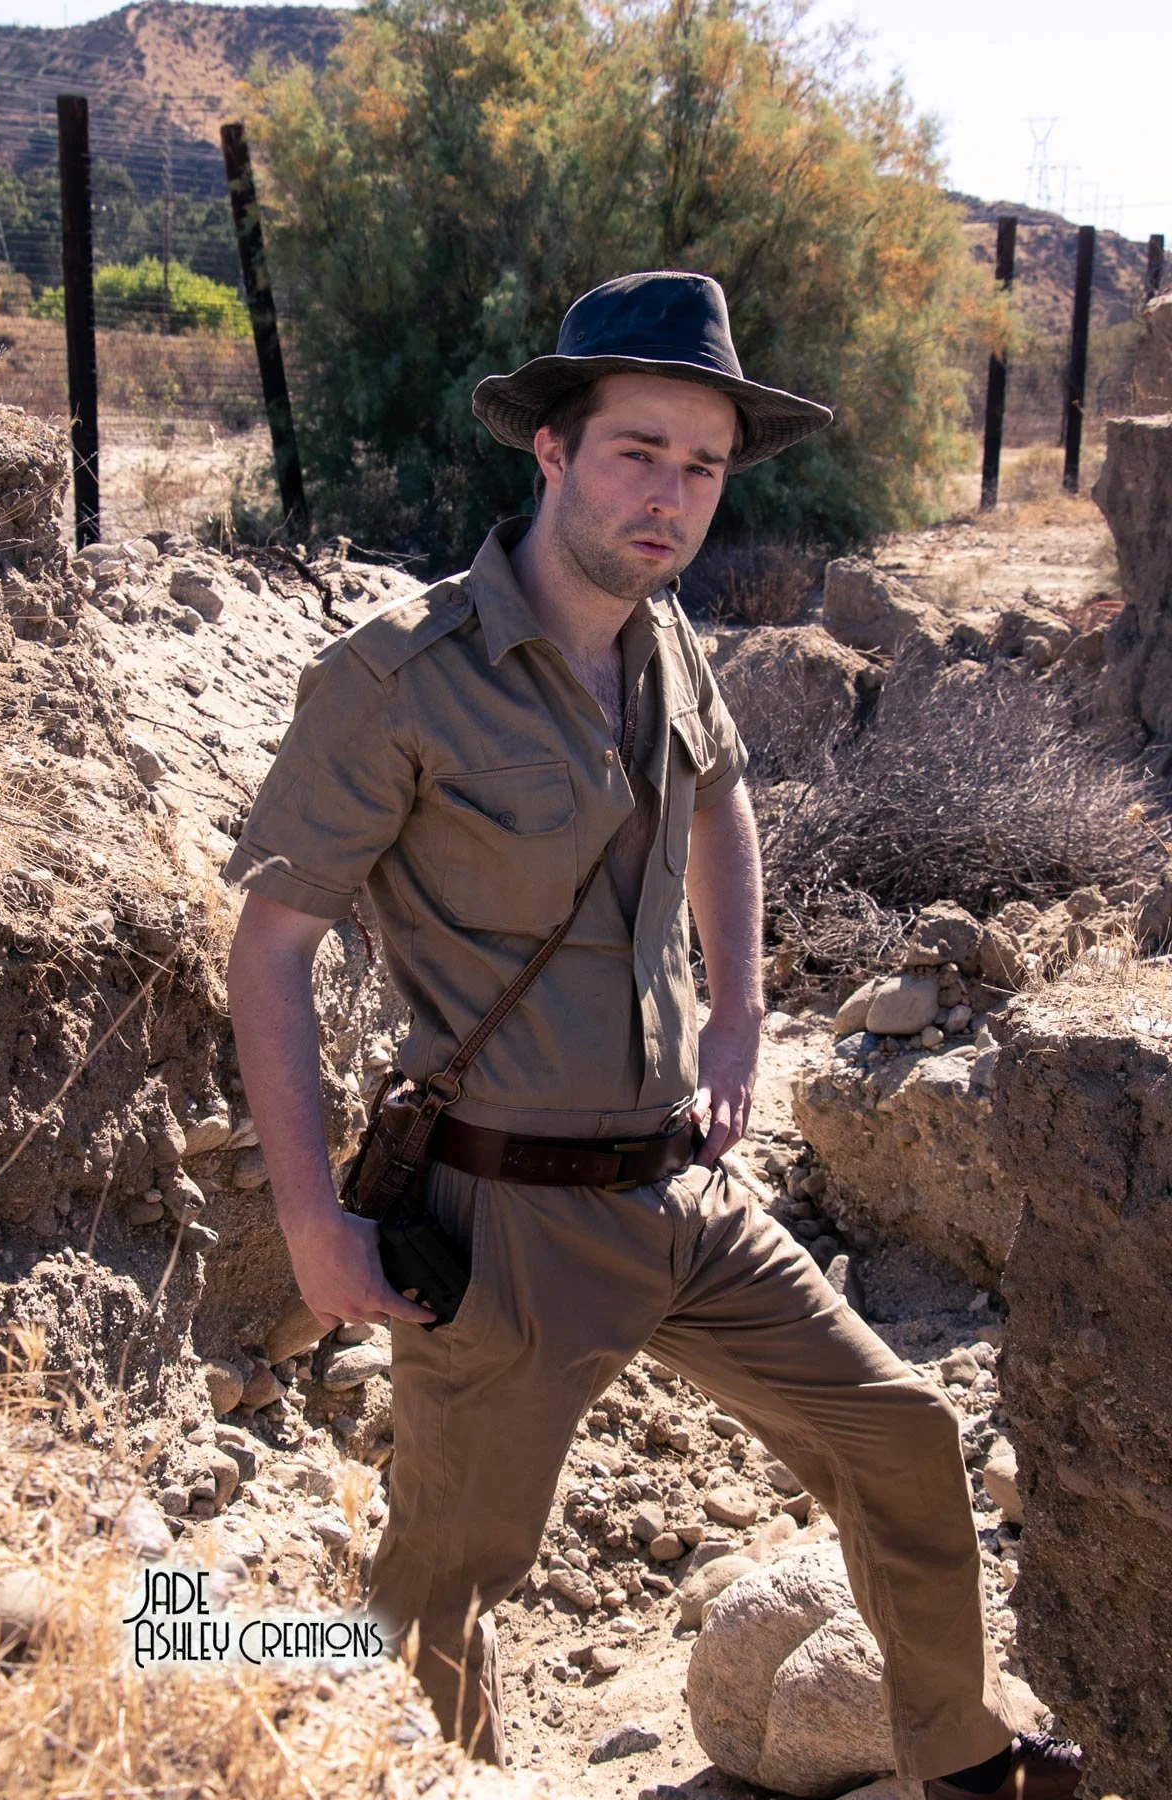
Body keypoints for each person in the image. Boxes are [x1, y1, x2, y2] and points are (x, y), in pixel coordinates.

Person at [224, 271, 1083, 1800]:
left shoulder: (662, 637)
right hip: (506, 1224)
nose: (672, 494)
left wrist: (741, 1014)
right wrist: (310, 1223)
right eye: (639, 451)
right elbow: (271, 949)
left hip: (685, 1193)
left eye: (703, 464)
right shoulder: (396, 677)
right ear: (551, 448)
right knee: (442, 1589)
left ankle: (965, 1763)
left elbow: (722, 797)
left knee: (898, 1438)